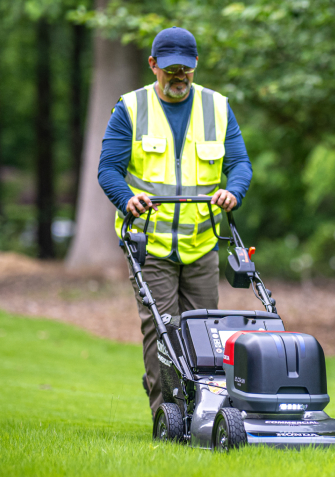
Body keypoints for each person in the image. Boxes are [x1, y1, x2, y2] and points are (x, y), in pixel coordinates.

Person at [97, 26, 252, 416]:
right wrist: (127, 199)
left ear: (196, 65)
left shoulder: (217, 107)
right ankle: (166, 413)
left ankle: (208, 410)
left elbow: (240, 164)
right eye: (170, 68)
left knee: (206, 331)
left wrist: (233, 191)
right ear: (153, 66)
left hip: (201, 245)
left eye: (186, 67)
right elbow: (108, 170)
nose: (178, 75)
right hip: (151, 244)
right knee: (162, 329)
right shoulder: (130, 108)